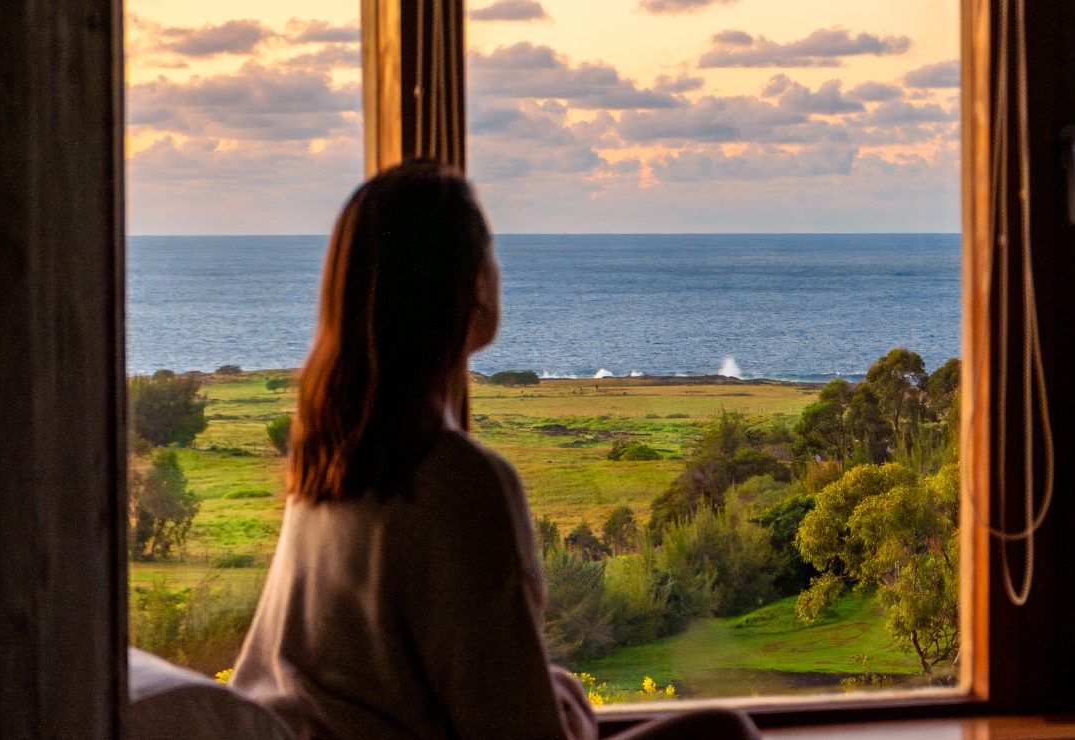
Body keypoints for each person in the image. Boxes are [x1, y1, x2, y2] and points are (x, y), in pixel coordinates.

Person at [231, 160, 758, 740]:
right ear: (473, 288)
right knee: (724, 732)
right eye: (490, 254)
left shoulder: (332, 460)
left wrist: (542, 688)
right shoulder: (456, 481)